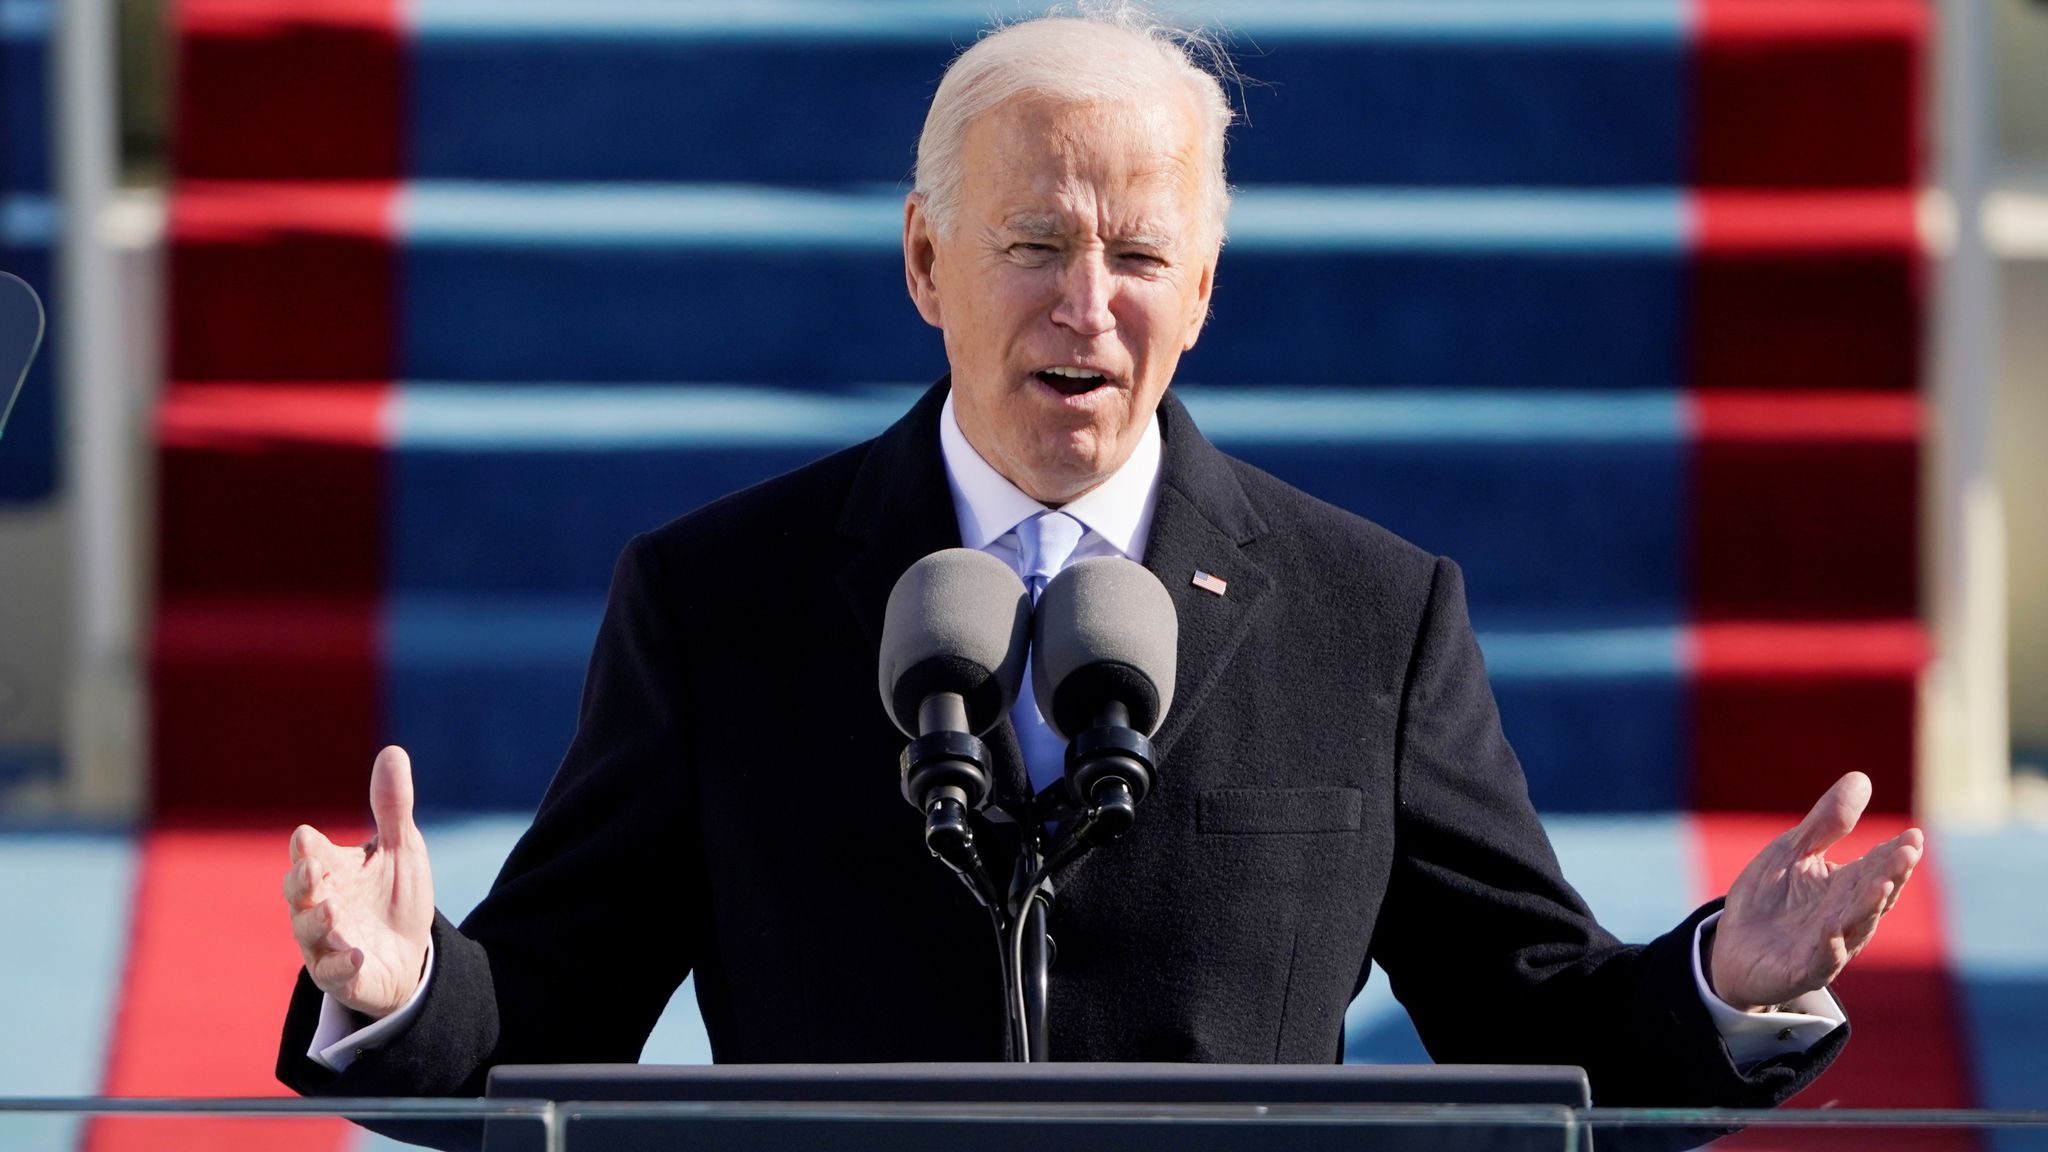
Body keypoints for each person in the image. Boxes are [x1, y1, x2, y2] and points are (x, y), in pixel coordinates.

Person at [278, 6, 1923, 1115]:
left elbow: (1534, 1020)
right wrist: (402, 983)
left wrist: (1728, 981)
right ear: (925, 260)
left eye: (1141, 253)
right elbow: (557, 1009)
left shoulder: (1372, 616)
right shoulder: (722, 603)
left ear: (1203, 287)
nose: (1088, 305)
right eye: (1033, 245)